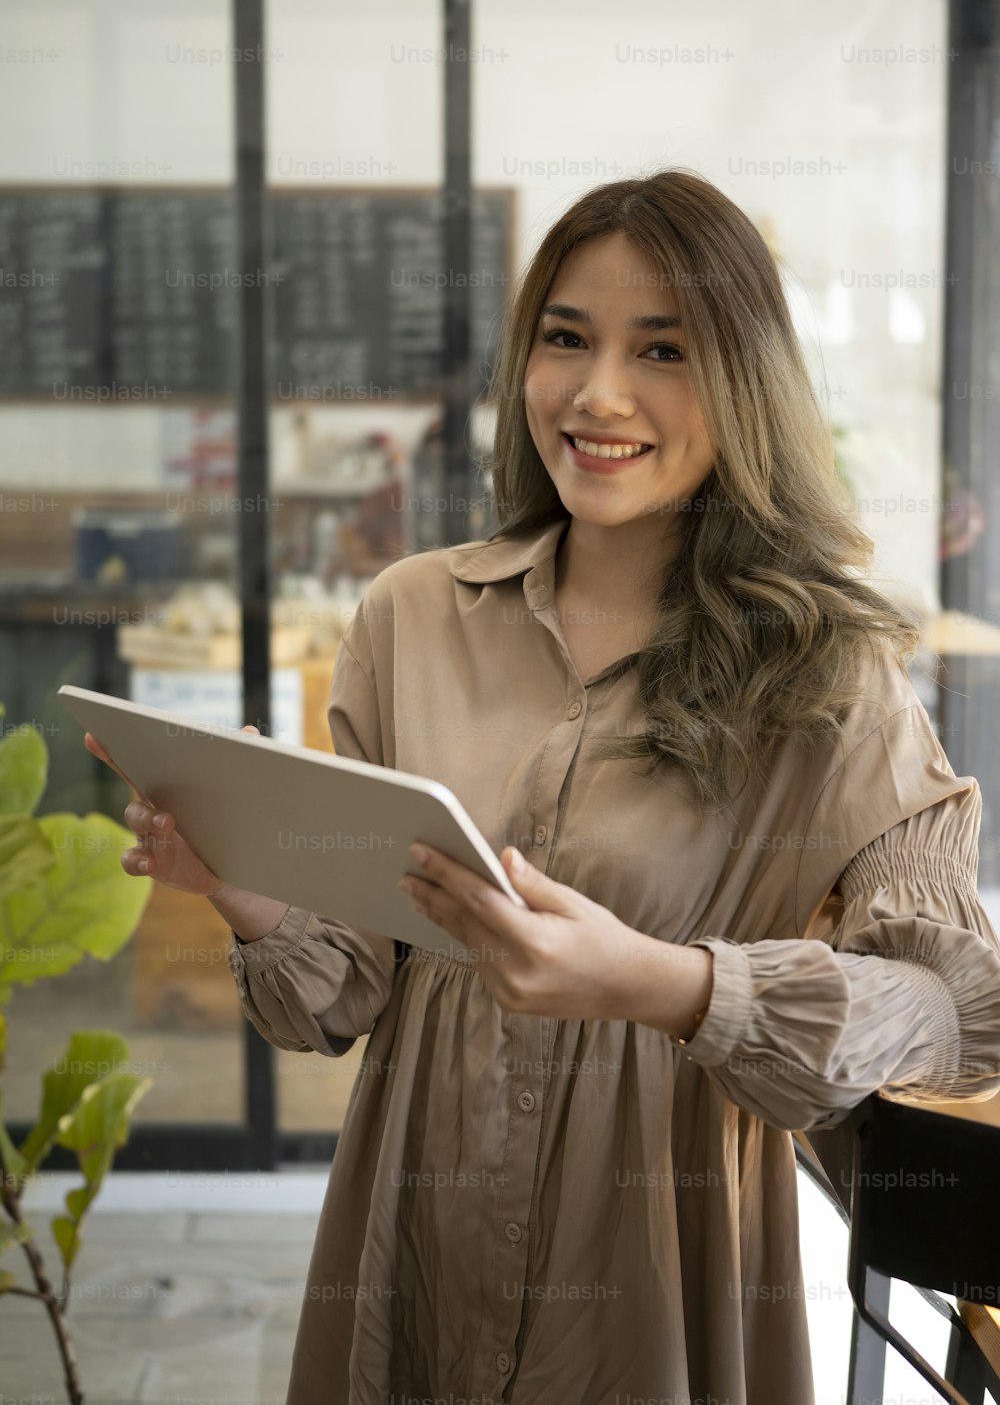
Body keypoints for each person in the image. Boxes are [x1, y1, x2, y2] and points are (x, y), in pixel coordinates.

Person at [89, 169, 1000, 1405]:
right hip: (406, 1240)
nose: (597, 393)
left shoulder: (832, 676)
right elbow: (343, 989)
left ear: (742, 382)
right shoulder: (411, 615)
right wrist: (242, 883)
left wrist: (672, 989)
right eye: (566, 338)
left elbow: (961, 1017)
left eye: (661, 350)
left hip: (661, 1271)